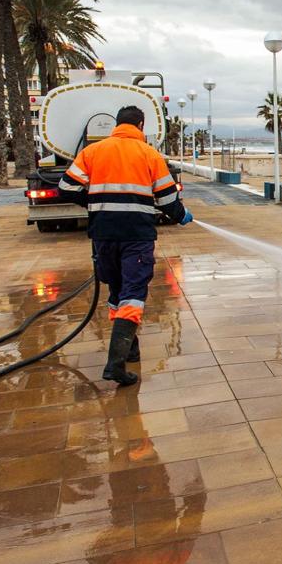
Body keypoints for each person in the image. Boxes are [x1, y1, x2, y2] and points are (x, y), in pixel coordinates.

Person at [58, 105, 192, 386]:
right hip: (136, 236)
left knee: (117, 290)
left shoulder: (93, 152)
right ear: (140, 126)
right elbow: (167, 199)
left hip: (103, 235)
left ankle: (130, 349)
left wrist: (94, 205)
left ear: (116, 125)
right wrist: (181, 216)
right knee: (133, 292)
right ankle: (115, 363)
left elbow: (66, 188)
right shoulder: (149, 154)